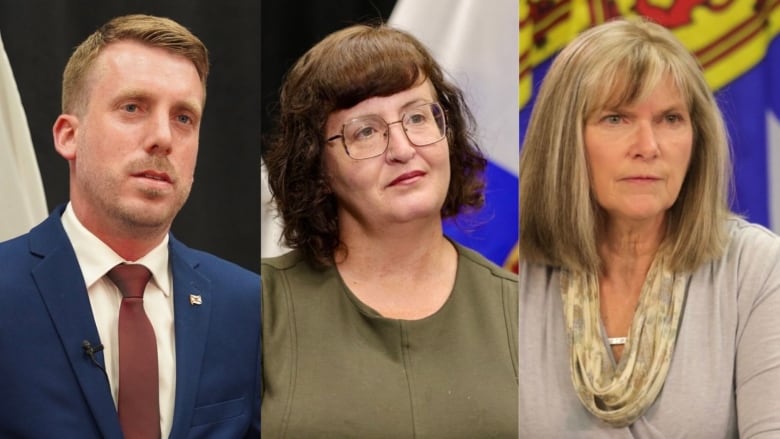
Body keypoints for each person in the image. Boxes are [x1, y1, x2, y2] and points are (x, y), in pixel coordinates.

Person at [0, 14, 260, 438]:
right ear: (69, 136)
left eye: (184, 118)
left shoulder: (248, 307)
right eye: (133, 107)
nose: (163, 137)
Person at [518, 17, 780, 437]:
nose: (648, 147)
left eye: (670, 119)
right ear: (565, 140)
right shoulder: (515, 281)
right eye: (616, 119)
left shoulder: (755, 268)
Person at [261, 23, 518, 438]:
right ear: (317, 167)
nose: (403, 149)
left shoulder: (523, 312)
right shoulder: (256, 308)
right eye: (365, 131)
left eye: (417, 117)